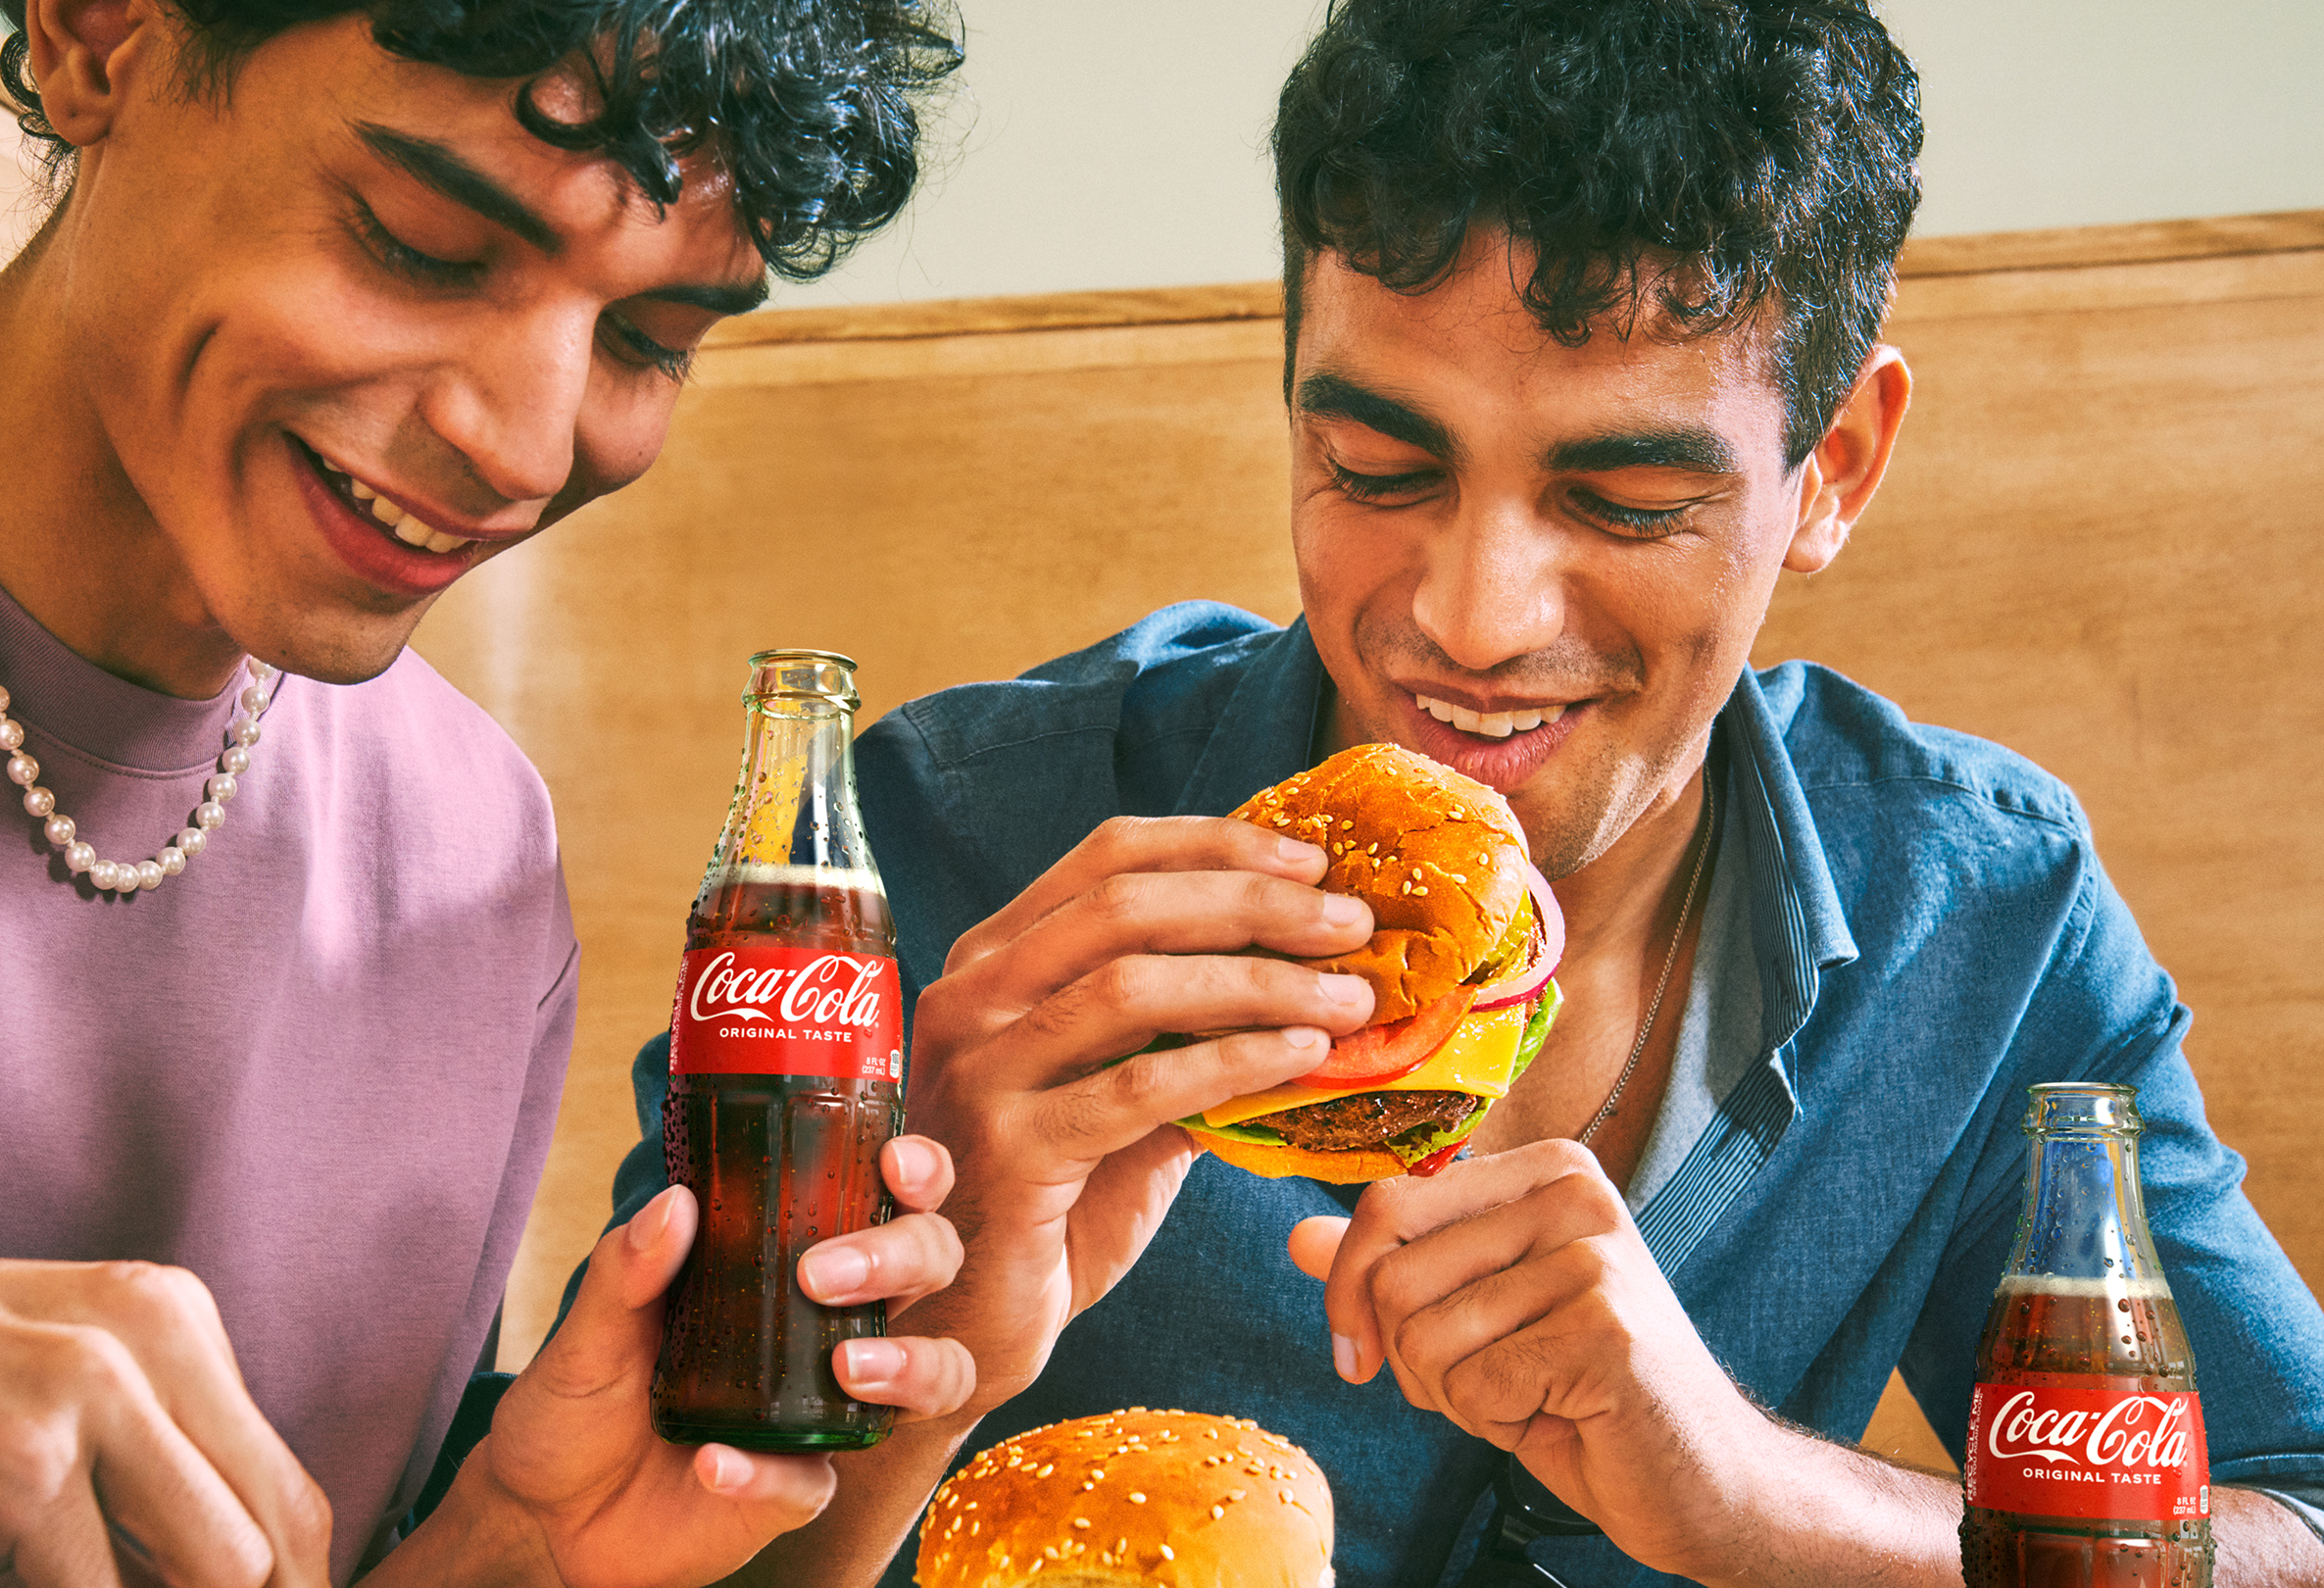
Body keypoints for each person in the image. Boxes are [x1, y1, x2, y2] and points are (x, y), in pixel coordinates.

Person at [586, 1, 2324, 1582]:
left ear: (1832, 471)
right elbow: (593, 1540)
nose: (1473, 622)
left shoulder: (1989, 921)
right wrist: (917, 1365)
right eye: (1376, 467)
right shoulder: (940, 852)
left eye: (1630, 499)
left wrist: (1752, 1501)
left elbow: (2295, 1507)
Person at [0, 2, 982, 1584]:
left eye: (647, 344)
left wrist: (508, 1552)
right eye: (421, 243)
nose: (526, 445)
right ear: (96, 41)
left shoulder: (476, 853)